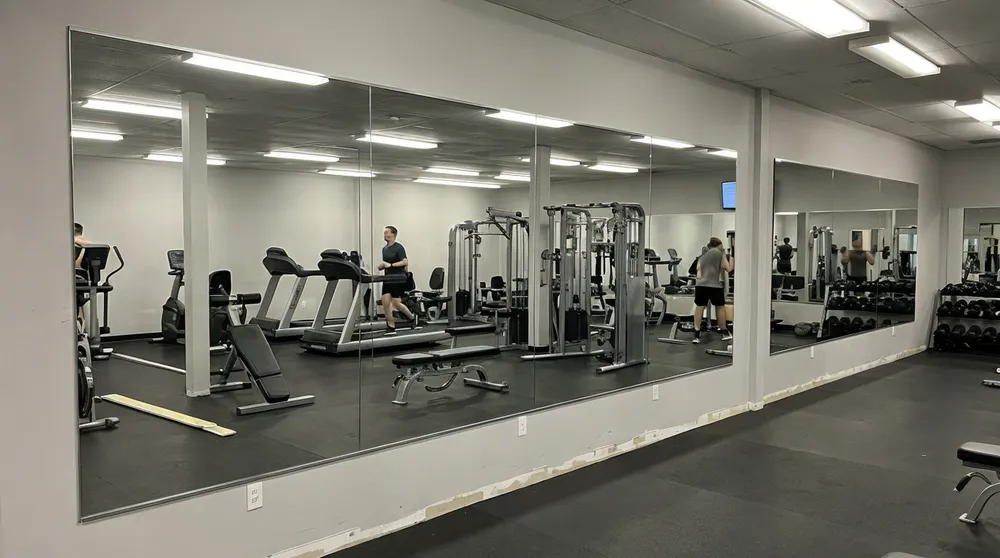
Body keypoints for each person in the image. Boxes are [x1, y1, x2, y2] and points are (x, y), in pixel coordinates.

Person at [693, 237, 733, 344]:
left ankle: (696, 334)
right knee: (720, 307)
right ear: (718, 245)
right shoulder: (720, 254)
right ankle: (724, 332)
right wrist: (732, 257)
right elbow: (729, 268)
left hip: (700, 285)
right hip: (714, 285)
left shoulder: (702, 256)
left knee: (699, 307)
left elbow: (697, 270)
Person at [377, 226, 417, 335]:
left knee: (396, 303)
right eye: (384, 233)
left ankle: (411, 317)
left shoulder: (399, 247)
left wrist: (391, 265)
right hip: (387, 278)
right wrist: (382, 266)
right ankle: (391, 325)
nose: (385, 235)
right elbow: (387, 264)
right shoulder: (384, 249)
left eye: (387, 233)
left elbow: (405, 262)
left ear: (393, 234)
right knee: (385, 301)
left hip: (397, 278)